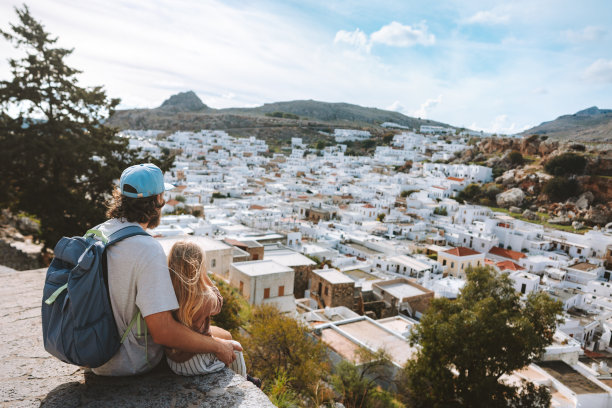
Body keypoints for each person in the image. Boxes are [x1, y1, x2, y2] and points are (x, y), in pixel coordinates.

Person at [92, 163, 241, 376]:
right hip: (129, 360)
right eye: (162, 197)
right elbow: (163, 332)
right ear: (156, 202)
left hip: (97, 353)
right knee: (226, 340)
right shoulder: (147, 250)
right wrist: (218, 347)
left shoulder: (99, 233)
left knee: (222, 335)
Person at [165, 241, 260, 387]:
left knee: (223, 340)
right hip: (194, 362)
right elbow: (219, 301)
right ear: (198, 268)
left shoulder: (167, 293)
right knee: (236, 347)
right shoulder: (204, 298)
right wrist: (204, 277)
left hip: (175, 362)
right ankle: (244, 381)